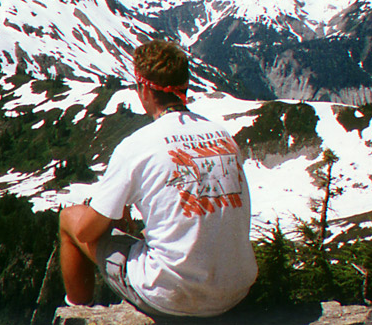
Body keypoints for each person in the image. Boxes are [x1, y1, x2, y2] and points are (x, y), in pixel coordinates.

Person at [59, 40, 257, 319]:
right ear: (185, 85)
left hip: (172, 297)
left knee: (70, 219)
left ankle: (77, 312)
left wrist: (106, 212)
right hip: (235, 291)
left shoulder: (137, 144)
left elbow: (86, 233)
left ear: (144, 90)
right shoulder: (223, 135)